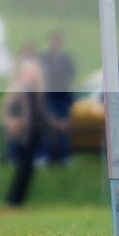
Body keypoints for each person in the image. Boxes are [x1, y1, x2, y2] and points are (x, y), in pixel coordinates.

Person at [0, 56, 50, 206]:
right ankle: (14, 199)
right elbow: (6, 109)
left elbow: (42, 113)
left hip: (34, 133)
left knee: (27, 168)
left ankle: (18, 199)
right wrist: (12, 122)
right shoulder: (17, 89)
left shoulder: (36, 90)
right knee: (23, 167)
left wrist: (56, 124)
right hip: (22, 134)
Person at [38, 31, 76, 165]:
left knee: (64, 125)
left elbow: (71, 74)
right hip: (48, 96)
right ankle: (46, 154)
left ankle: (63, 155)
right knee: (49, 124)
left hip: (63, 97)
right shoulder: (43, 58)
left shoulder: (65, 59)